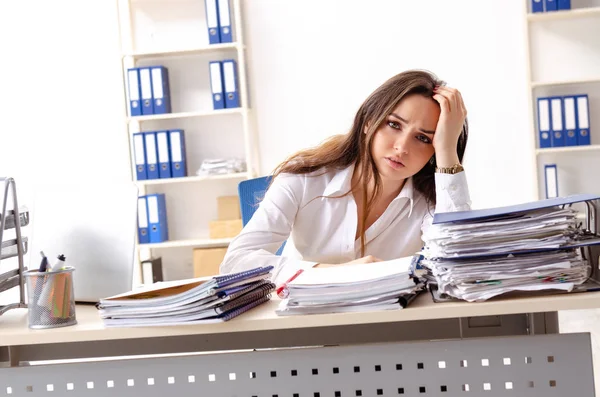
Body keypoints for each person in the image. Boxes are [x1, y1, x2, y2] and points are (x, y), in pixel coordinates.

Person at [220, 69, 472, 286]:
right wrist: (335, 274)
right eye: (394, 124)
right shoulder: (304, 178)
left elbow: (460, 265)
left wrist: (448, 151)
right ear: (368, 121)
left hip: (385, 330)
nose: (402, 147)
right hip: (301, 324)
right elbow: (236, 263)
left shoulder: (431, 202)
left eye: (423, 138)